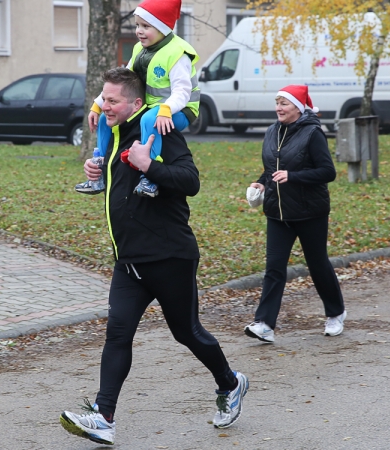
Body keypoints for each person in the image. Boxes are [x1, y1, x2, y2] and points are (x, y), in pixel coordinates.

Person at [61, 67, 247, 446]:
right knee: (117, 332)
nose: (104, 105)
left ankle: (231, 383)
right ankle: (103, 416)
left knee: (187, 333)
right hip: (128, 260)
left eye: (112, 100)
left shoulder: (160, 129)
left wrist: (150, 165)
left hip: (169, 256)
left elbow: (190, 181)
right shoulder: (111, 135)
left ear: (135, 103)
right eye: (104, 97)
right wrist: (97, 169)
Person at [244, 85, 346, 344]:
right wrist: (261, 183)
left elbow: (327, 172)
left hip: (310, 211)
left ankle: (335, 313)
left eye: (284, 104)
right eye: (277, 103)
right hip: (278, 212)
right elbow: (272, 169)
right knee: (274, 269)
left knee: (317, 264)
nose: (279, 108)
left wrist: (294, 177)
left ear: (298, 108)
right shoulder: (271, 131)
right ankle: (265, 324)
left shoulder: (313, 133)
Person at [74, 0, 200, 198]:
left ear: (162, 27)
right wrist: (97, 105)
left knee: (148, 119)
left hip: (180, 109)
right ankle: (100, 168)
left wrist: (166, 109)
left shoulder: (177, 53)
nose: (139, 31)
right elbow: (123, 79)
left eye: (146, 26)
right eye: (137, 25)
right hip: (152, 106)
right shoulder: (140, 50)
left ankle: (149, 177)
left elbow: (182, 92)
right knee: (107, 121)